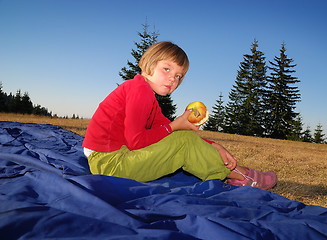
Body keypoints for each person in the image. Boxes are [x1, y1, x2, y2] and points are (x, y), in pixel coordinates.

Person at [82, 41, 277, 190]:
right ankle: (239, 176)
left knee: (183, 138)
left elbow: (171, 131)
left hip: (110, 158)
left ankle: (232, 172)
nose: (172, 79)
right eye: (167, 69)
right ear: (149, 65)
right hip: (109, 165)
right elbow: (137, 141)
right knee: (182, 142)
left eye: (178, 76)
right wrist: (175, 126)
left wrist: (213, 145)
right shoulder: (139, 91)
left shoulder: (146, 95)